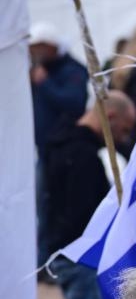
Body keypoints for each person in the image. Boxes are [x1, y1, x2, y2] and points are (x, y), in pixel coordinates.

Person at [43, 90, 136, 299]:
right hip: (79, 255)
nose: (124, 138)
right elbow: (83, 212)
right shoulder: (80, 153)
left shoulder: (64, 142)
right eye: (123, 129)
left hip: (74, 254)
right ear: (109, 118)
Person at [29, 22, 89, 271]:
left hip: (66, 154)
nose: (34, 52)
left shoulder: (71, 70)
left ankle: (58, 261)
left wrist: (45, 85)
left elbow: (75, 103)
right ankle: (44, 262)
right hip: (43, 151)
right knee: (43, 205)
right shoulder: (37, 71)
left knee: (60, 206)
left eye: (39, 47)